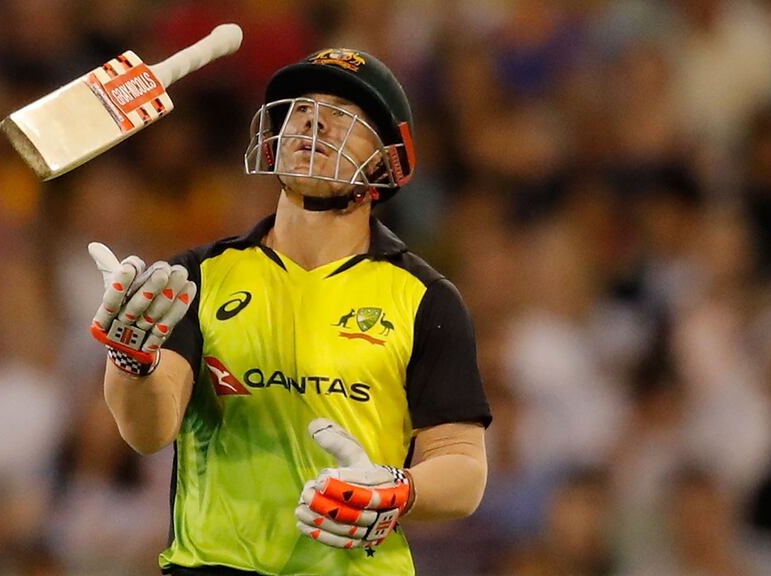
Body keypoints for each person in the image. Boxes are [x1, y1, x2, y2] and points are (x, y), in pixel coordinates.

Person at [88, 48, 492, 576]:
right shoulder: (199, 274)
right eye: (301, 109)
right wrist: (131, 362)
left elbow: (464, 467)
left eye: (341, 114)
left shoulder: (424, 297)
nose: (312, 123)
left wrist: (397, 490)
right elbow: (149, 432)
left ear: (385, 159)